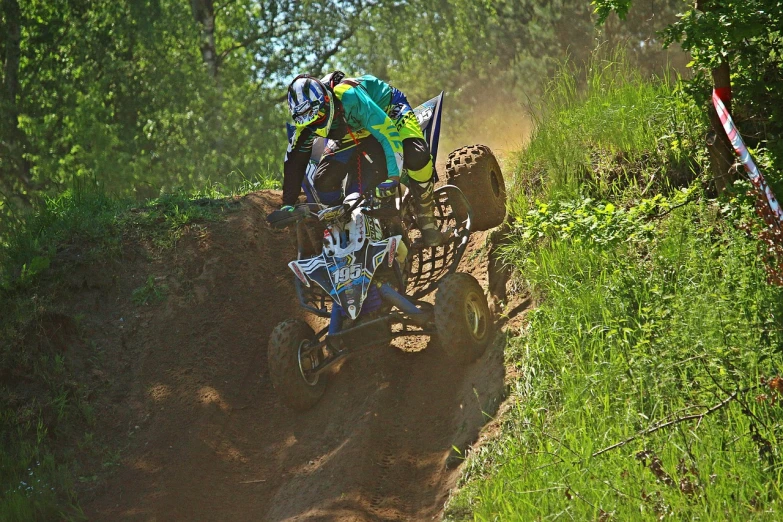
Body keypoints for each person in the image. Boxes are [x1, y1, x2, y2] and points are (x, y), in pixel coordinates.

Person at [266, 71, 443, 247]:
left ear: (326, 101)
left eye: (318, 117)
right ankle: (343, 220)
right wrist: (287, 204)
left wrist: (393, 178)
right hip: (348, 131)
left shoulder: (349, 96)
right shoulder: (306, 128)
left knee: (416, 154)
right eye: (306, 122)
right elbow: (294, 163)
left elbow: (386, 132)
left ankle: (425, 212)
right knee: (323, 182)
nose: (314, 124)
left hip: (387, 110)